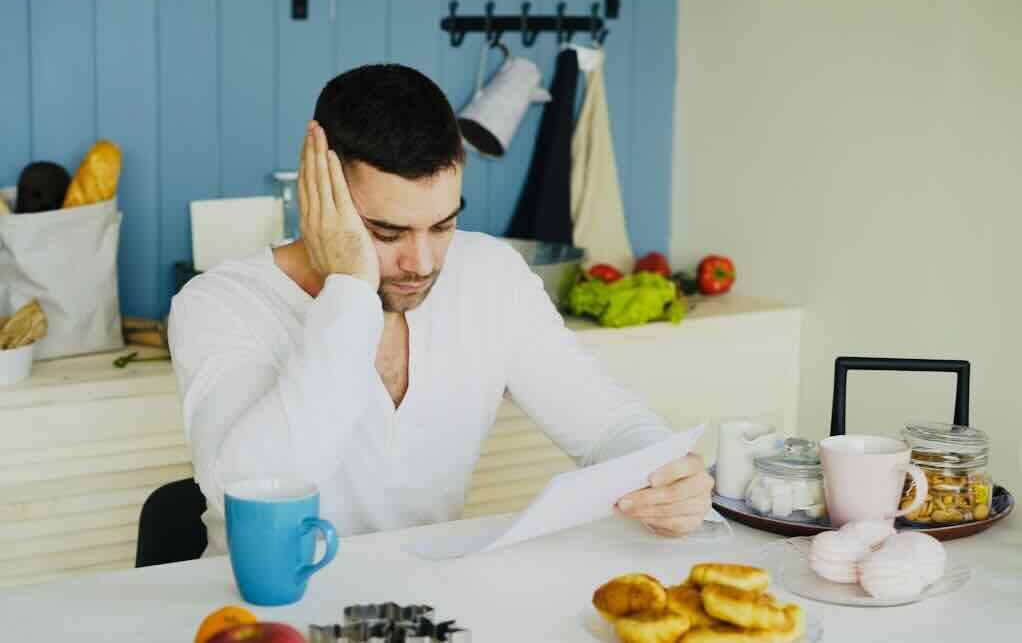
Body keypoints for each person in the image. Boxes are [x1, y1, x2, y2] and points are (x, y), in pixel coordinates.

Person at [168, 64, 713, 556]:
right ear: (319, 195)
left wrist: (663, 472)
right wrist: (350, 289)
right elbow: (252, 489)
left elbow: (606, 425)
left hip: (424, 608)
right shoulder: (219, 304)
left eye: (443, 225)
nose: (421, 262)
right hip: (265, 615)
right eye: (386, 231)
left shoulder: (491, 276)